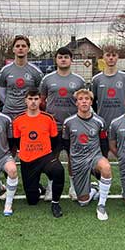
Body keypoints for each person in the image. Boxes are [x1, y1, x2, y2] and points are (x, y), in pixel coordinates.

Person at [40, 47, 86, 200]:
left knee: (73, 158)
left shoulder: (79, 80)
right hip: (53, 127)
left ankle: (73, 188)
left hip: (73, 127)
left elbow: (84, 102)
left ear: (71, 59)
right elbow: (42, 101)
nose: (63, 59)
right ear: (56, 59)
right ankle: (51, 188)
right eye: (60, 57)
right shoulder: (47, 79)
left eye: (66, 57)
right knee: (52, 158)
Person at [13, 88, 66, 218]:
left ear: (40, 100)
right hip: (28, 160)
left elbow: (55, 139)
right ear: (25, 100)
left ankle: (55, 203)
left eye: (36, 99)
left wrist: (51, 156)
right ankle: (38, 187)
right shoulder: (18, 120)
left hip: (45, 157)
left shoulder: (48, 118)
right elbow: (17, 140)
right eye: (30, 99)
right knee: (32, 201)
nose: (33, 102)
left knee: (58, 170)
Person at [62, 89, 112, 220]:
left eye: (87, 99)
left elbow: (103, 143)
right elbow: (66, 144)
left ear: (91, 102)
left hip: (94, 157)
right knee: (83, 202)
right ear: (76, 103)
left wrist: (104, 159)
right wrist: (71, 158)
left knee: (106, 167)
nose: (84, 101)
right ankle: (94, 189)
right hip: (78, 160)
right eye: (81, 99)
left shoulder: (99, 121)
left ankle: (101, 205)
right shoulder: (68, 122)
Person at [0, 35, 43, 156]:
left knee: (28, 145)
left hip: (27, 114)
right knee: (9, 147)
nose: (20, 48)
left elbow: (39, 95)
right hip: (8, 113)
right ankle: (10, 174)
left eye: (23, 46)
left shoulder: (36, 72)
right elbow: (2, 93)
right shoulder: (5, 71)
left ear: (28, 49)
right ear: (13, 49)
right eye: (17, 46)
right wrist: (10, 103)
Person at [91, 45, 125, 130]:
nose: (111, 58)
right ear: (103, 57)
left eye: (113, 55)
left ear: (118, 57)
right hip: (103, 121)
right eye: (108, 55)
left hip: (123, 122)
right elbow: (92, 100)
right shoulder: (96, 79)